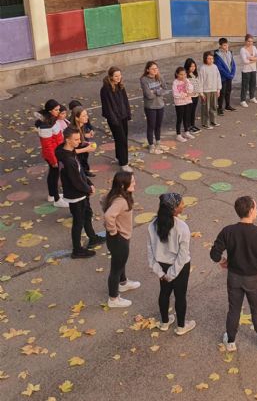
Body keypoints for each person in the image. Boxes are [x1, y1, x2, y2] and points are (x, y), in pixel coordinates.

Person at [210, 196, 257, 352]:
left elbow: (214, 253)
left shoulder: (228, 231)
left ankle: (231, 341)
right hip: (255, 279)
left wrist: (222, 260)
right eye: (256, 207)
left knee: (234, 309)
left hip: (234, 277)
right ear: (251, 210)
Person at [147, 193, 196, 335]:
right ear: (174, 209)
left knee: (164, 292)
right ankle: (181, 326)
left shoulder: (152, 225)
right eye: (181, 203)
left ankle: (164, 322)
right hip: (179, 268)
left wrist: (160, 272)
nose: (183, 205)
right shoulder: (182, 227)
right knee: (180, 296)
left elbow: (150, 251)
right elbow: (182, 255)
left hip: (161, 265)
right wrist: (172, 274)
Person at [56, 127, 105, 258]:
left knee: (87, 214)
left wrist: (89, 183)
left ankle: (92, 237)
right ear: (67, 140)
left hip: (80, 193)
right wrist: (89, 189)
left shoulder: (65, 151)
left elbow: (80, 173)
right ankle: (77, 250)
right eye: (76, 139)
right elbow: (76, 180)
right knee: (78, 222)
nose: (79, 142)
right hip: (76, 195)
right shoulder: (69, 160)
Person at [103, 171, 139, 308]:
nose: (135, 183)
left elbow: (102, 200)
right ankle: (113, 298)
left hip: (118, 238)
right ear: (124, 185)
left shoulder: (115, 195)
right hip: (119, 238)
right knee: (116, 269)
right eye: (132, 181)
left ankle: (123, 283)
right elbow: (108, 216)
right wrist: (113, 231)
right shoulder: (121, 201)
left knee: (120, 262)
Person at [35, 99, 67, 207]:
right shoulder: (46, 125)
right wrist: (54, 160)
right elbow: (47, 146)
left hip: (56, 152)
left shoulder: (51, 120)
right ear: (50, 111)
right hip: (52, 155)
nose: (58, 111)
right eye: (56, 110)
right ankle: (57, 199)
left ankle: (52, 195)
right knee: (54, 175)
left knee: (54, 174)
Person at [100, 66, 132, 171]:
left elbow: (125, 101)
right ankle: (124, 163)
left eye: (119, 75)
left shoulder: (120, 86)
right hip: (114, 119)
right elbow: (107, 106)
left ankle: (119, 157)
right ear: (110, 77)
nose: (118, 78)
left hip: (122, 116)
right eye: (116, 76)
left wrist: (128, 114)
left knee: (123, 138)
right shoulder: (105, 89)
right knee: (121, 139)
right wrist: (114, 119)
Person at [140, 61, 171, 154]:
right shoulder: (144, 79)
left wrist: (155, 92)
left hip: (160, 105)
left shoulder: (160, 77)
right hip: (150, 106)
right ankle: (151, 145)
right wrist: (158, 91)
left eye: (156, 68)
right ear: (147, 70)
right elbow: (148, 95)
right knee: (151, 125)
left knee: (158, 125)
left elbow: (166, 89)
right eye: (153, 69)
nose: (155, 70)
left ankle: (158, 143)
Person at [70, 106, 97, 177]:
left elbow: (81, 140)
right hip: (72, 162)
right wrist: (86, 149)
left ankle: (85, 173)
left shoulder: (82, 125)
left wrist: (87, 143)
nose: (87, 117)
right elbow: (69, 152)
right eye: (84, 116)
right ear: (77, 118)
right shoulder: (72, 131)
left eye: (87, 115)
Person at [199, 51, 223, 128]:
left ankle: (213, 121)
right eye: (209, 59)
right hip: (206, 91)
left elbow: (218, 78)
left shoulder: (215, 67)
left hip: (214, 90)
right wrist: (201, 92)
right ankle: (205, 123)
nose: (211, 60)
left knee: (214, 106)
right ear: (205, 59)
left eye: (212, 58)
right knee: (206, 107)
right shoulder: (203, 68)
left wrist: (218, 89)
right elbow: (200, 80)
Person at [214, 38, 237, 115]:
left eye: (227, 44)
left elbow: (233, 64)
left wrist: (232, 74)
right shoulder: (217, 55)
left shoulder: (230, 53)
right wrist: (228, 75)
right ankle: (219, 108)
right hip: (223, 78)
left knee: (228, 91)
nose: (226, 46)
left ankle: (227, 105)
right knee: (222, 92)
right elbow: (220, 68)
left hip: (229, 76)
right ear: (220, 46)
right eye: (224, 45)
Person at [172, 66, 195, 143]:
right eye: (181, 74)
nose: (183, 76)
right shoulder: (175, 82)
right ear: (177, 74)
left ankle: (186, 132)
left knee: (186, 117)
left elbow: (190, 90)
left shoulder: (187, 80)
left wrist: (187, 83)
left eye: (184, 74)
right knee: (180, 118)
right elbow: (175, 94)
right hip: (179, 103)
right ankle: (178, 134)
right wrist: (185, 95)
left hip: (187, 101)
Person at [239, 34, 257, 107]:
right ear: (245, 41)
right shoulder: (243, 50)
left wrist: (251, 59)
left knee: (253, 84)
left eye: (251, 41)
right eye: (248, 41)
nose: (250, 43)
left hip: (253, 69)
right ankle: (243, 100)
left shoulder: (254, 48)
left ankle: (252, 97)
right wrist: (254, 59)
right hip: (246, 70)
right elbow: (245, 61)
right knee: (245, 85)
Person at [184, 58, 202, 133]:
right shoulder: (185, 76)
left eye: (194, 66)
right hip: (189, 97)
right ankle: (188, 127)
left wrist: (200, 93)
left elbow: (198, 84)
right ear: (187, 67)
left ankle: (192, 125)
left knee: (193, 111)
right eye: (191, 66)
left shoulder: (194, 74)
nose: (193, 68)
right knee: (188, 112)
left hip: (196, 96)